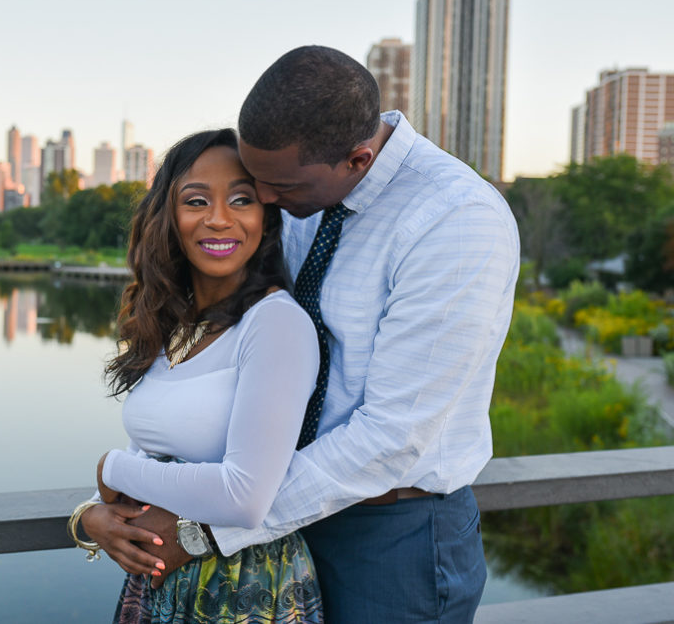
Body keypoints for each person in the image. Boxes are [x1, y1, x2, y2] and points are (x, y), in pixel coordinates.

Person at [87, 46, 521, 623]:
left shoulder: (456, 221)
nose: (264, 201)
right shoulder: (304, 188)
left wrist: (203, 530)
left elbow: (391, 437)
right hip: (279, 524)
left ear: (358, 159)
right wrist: (102, 507)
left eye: (275, 188)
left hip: (391, 538)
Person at [72, 128, 325, 623]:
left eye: (241, 200)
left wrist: (112, 470)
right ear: (168, 216)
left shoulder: (275, 323)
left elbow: (245, 497)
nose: (218, 219)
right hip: (161, 578)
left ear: (266, 218)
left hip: (242, 585)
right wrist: (92, 513)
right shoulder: (177, 323)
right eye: (195, 200)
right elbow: (165, 452)